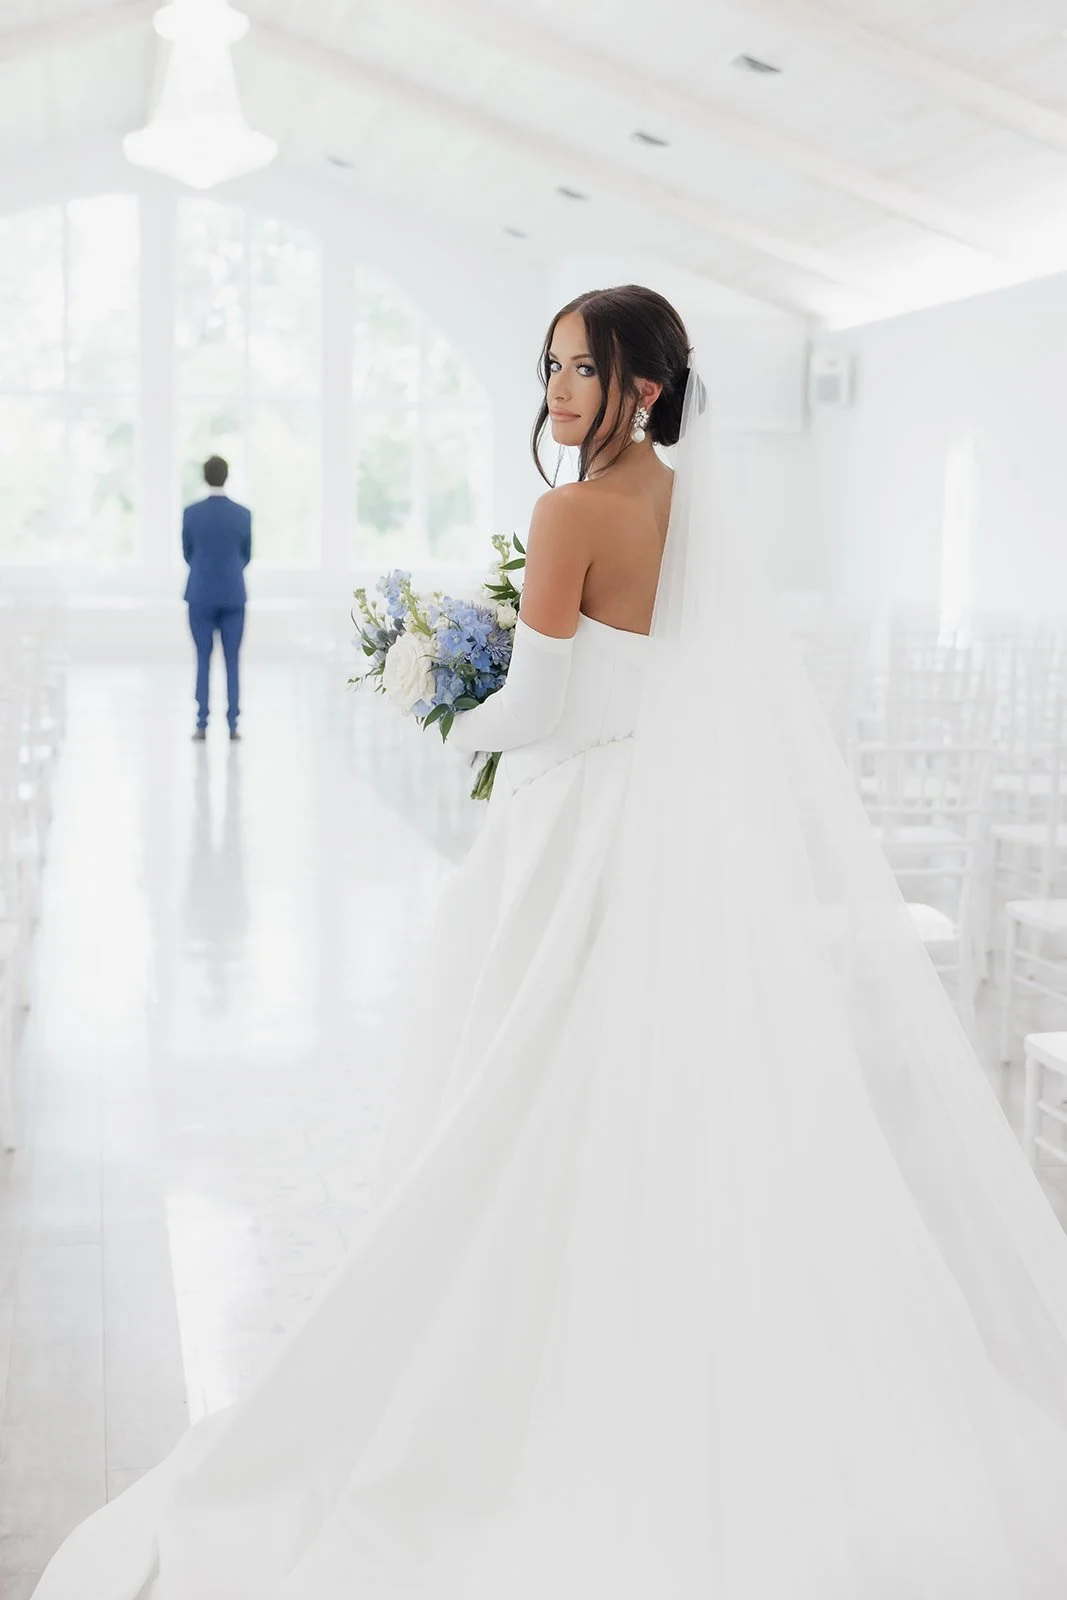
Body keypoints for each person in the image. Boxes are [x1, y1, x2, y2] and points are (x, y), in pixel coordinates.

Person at [32, 286, 1067, 1597]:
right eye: (552, 365)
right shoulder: (689, 507)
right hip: (663, 825)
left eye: (584, 367)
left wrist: (432, 696)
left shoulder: (568, 511)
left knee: (522, 1084)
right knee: (640, 1091)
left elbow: (535, 708)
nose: (558, 389)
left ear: (644, 385)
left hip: (574, 825)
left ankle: (531, 1357)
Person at [182, 455, 251, 742]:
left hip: (200, 593)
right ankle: (233, 725)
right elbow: (246, 554)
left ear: (204, 476)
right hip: (233, 594)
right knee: (233, 661)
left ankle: (202, 723)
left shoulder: (191, 513)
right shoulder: (243, 514)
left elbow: (187, 552)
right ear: (227, 476)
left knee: (202, 658)